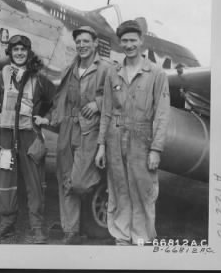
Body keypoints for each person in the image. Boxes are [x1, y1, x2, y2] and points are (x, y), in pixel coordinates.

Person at [95, 20, 170, 246]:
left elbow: (162, 114)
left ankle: (141, 238)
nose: (128, 45)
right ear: (120, 43)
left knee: (143, 192)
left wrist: (156, 149)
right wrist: (101, 145)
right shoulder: (113, 72)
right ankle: (121, 236)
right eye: (124, 41)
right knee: (119, 189)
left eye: (133, 40)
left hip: (142, 140)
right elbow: (106, 111)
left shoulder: (156, 73)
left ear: (141, 41)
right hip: (115, 139)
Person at [0, 35, 55, 244]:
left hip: (30, 136)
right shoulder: (1, 76)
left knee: (35, 182)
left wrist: (46, 118)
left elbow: (57, 100)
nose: (19, 53)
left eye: (23, 49)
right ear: (10, 53)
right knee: (5, 179)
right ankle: (7, 223)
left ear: (28, 52)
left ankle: (37, 227)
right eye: (15, 50)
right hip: (6, 136)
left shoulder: (39, 78)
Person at [48, 26, 111, 244]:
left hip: (89, 130)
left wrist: (98, 103)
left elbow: (122, 95)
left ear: (95, 43)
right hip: (68, 126)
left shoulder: (106, 68)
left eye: (86, 41)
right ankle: (71, 231)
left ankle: (103, 188)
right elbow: (60, 96)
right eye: (79, 42)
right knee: (63, 177)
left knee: (78, 183)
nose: (82, 45)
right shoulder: (70, 68)